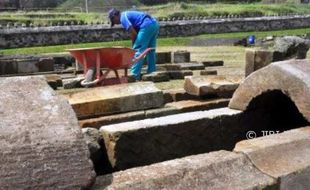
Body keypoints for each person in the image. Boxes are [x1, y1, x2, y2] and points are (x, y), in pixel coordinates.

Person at [108, 8, 160, 80]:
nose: (116, 23)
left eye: (114, 21)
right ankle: (152, 72)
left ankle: (134, 75)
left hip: (146, 26)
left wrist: (134, 47)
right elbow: (135, 32)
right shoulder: (127, 14)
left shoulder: (123, 18)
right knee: (150, 50)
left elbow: (133, 33)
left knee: (137, 51)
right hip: (154, 24)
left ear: (115, 16)